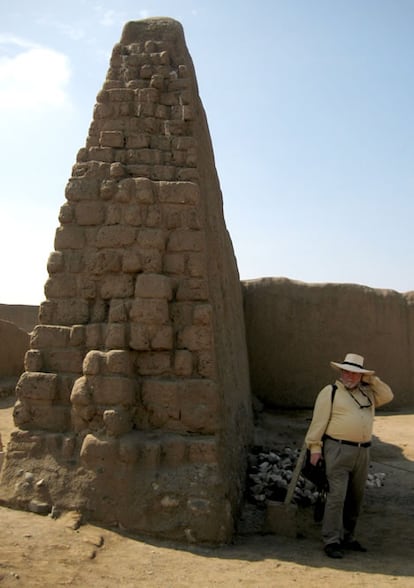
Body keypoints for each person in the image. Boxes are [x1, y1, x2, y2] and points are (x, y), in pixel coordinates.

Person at [305, 352, 393, 559]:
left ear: (361, 376)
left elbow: (388, 396)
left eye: (354, 373)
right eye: (346, 371)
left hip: (363, 451)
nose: (349, 376)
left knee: (356, 497)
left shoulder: (368, 393)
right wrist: (315, 449)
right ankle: (331, 540)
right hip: (338, 449)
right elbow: (318, 422)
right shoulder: (331, 392)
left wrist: (371, 379)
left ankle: (348, 536)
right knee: (337, 496)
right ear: (341, 371)